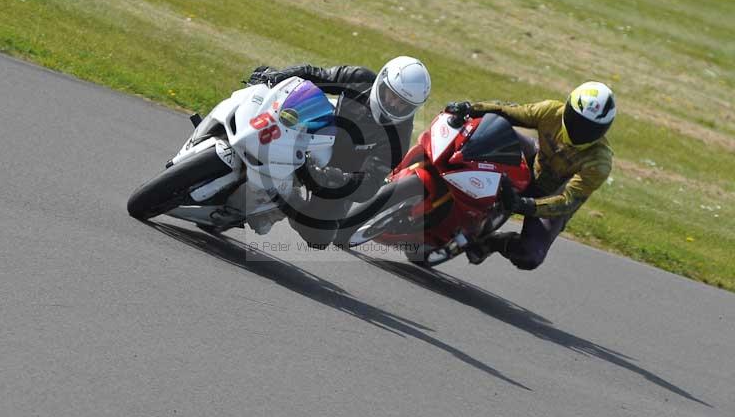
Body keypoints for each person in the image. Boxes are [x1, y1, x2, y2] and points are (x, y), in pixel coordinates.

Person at [246, 56, 431, 248]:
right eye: (392, 95)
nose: (394, 105)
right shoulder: (360, 79)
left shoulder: (399, 138)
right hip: (319, 132)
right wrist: (277, 76)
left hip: (339, 172)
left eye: (403, 104)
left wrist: (330, 177)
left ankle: (283, 201)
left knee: (319, 236)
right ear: (382, 82)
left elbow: (369, 184)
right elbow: (315, 75)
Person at [444, 81, 616, 270]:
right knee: (486, 130)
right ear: (567, 108)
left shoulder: (600, 162)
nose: (580, 131)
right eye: (577, 120)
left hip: (553, 200)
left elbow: (567, 201)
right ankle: (444, 170)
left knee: (530, 256)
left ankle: (494, 242)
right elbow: (507, 111)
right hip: (533, 161)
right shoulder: (551, 112)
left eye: (590, 128)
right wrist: (471, 108)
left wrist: (523, 205)